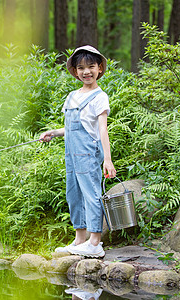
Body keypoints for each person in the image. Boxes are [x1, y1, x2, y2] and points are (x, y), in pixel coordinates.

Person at [40, 45, 116, 258]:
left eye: (91, 66)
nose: (86, 72)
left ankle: (95, 243)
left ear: (99, 68)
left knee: (91, 195)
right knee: (73, 194)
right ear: (75, 71)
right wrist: (53, 133)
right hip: (71, 155)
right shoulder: (72, 96)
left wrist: (107, 160)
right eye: (81, 68)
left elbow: (101, 129)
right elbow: (73, 127)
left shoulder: (100, 97)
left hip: (89, 154)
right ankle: (79, 239)